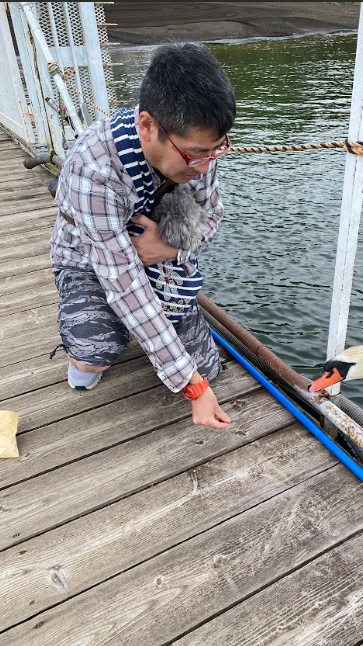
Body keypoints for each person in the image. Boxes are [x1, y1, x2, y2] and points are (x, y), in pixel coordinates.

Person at [50, 43, 236, 431]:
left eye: (216, 151)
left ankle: (161, 324)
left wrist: (168, 247)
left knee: (209, 368)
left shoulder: (199, 154)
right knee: (93, 353)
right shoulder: (94, 170)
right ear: (148, 126)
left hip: (161, 258)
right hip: (91, 261)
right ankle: (86, 338)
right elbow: (123, 281)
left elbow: (211, 217)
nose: (204, 168)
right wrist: (192, 387)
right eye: (195, 155)